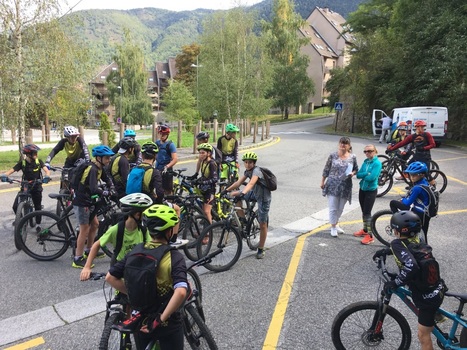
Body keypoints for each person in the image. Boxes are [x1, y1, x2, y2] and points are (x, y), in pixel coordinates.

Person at [105, 204, 188, 350]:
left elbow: (110, 278)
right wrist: (159, 320)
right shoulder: (174, 256)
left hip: (141, 319)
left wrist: (135, 293)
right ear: (169, 232)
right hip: (165, 324)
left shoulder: (135, 251)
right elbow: (181, 292)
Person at [373, 211, 445, 350]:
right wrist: (386, 251)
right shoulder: (419, 240)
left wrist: (396, 282)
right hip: (436, 288)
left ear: (400, 231)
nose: (393, 231)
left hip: (427, 297)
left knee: (423, 335)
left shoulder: (396, 243)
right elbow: (410, 250)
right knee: (429, 321)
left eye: (394, 229)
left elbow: (411, 266)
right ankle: (436, 316)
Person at [80, 193, 153, 281]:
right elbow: (96, 245)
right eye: (145, 214)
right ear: (137, 214)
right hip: (121, 272)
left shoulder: (143, 230)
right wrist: (87, 267)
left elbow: (151, 247)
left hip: (137, 270)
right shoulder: (116, 230)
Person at [71, 145, 115, 268]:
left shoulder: (100, 167)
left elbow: (107, 179)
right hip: (82, 201)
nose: (109, 160)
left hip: (88, 200)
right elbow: (93, 188)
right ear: (99, 158)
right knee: (84, 229)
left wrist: (111, 187)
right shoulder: (93, 169)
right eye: (107, 158)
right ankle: (77, 258)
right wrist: (104, 192)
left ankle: (89, 250)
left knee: (95, 224)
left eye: (109, 158)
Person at [224, 152, 271, 259]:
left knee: (263, 224)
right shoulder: (247, 171)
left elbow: (251, 183)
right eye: (246, 162)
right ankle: (243, 220)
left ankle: (261, 248)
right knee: (234, 195)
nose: (248, 164)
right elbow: (238, 183)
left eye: (250, 162)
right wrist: (226, 190)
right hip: (254, 193)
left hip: (263, 198)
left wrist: (243, 193)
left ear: (254, 163)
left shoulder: (256, 171)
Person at [134, 142, 181, 242]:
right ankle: (173, 239)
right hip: (150, 202)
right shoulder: (154, 172)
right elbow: (160, 192)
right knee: (177, 209)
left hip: (137, 201)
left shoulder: (135, 169)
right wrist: (159, 201)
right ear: (155, 156)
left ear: (142, 156)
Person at [1, 144, 51, 227]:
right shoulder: (23, 163)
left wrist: (47, 176)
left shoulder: (39, 161)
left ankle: (38, 224)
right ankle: (19, 220)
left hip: (36, 186)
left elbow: (47, 171)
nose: (36, 155)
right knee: (15, 206)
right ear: (28, 155)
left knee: (37, 207)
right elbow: (11, 170)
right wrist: (4, 175)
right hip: (25, 186)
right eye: (35, 153)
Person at [321, 137, 358, 237]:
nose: (343, 145)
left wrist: (352, 173)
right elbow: (326, 169)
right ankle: (333, 227)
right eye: (342, 143)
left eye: (345, 144)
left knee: (340, 208)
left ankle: (336, 223)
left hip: (345, 186)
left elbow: (356, 169)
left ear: (349, 146)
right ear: (339, 144)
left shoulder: (352, 157)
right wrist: (322, 181)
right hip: (332, 185)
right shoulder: (333, 155)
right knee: (333, 207)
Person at [389, 161, 432, 243]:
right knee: (423, 232)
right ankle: (424, 249)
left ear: (422, 175)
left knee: (393, 203)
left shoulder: (417, 188)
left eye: (414, 175)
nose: (411, 177)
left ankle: (398, 220)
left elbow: (407, 203)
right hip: (427, 212)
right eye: (410, 174)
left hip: (419, 212)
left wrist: (402, 200)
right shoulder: (425, 182)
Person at [353, 145, 382, 245]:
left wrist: (365, 175)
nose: (367, 153)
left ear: (375, 151)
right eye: (365, 151)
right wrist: (367, 173)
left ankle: (369, 236)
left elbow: (372, 178)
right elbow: (358, 174)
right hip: (362, 189)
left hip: (371, 190)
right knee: (364, 212)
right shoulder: (365, 162)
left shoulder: (377, 163)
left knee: (367, 213)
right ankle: (365, 230)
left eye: (370, 151)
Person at [193, 143, 218, 224]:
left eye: (203, 153)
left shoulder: (212, 163)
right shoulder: (203, 162)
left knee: (207, 212)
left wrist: (204, 182)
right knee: (204, 211)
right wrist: (196, 180)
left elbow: (215, 179)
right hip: (204, 189)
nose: (201, 155)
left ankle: (208, 234)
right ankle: (206, 231)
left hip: (210, 191)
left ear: (209, 153)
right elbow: (204, 176)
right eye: (200, 153)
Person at [155, 124, 178, 195]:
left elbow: (175, 159)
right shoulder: (157, 143)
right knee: (158, 189)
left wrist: (167, 166)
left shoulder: (170, 145)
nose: (161, 136)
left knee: (168, 190)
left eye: (163, 135)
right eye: (160, 134)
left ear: (167, 135)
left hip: (166, 170)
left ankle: (170, 203)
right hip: (158, 169)